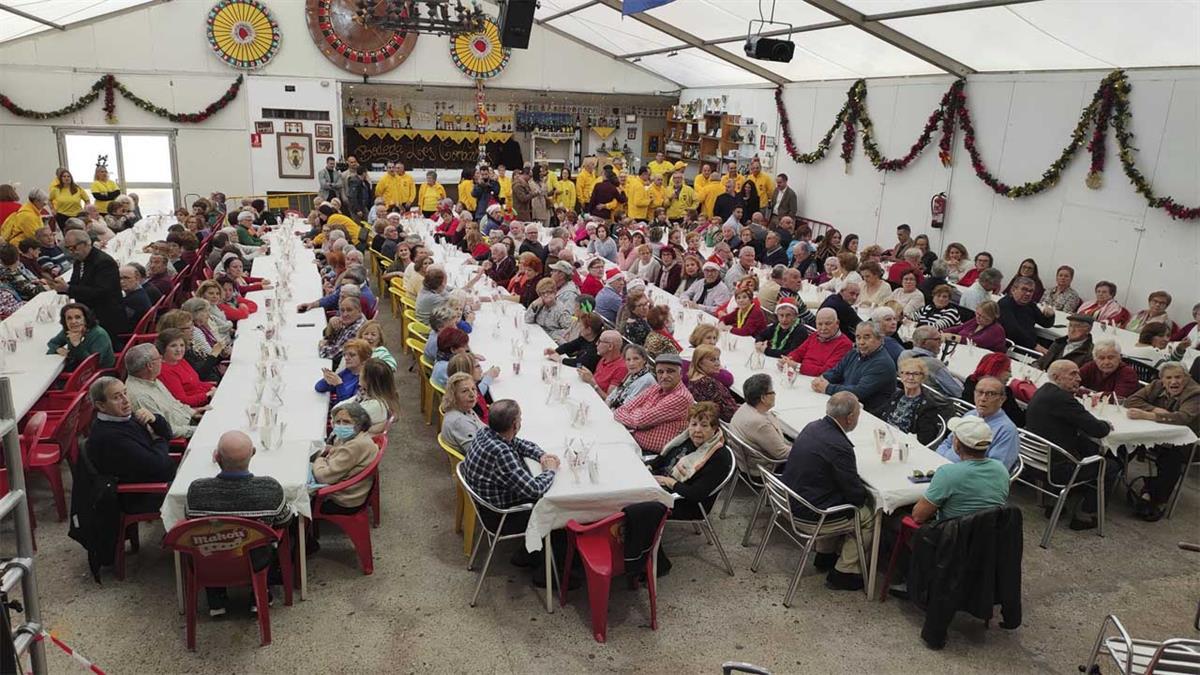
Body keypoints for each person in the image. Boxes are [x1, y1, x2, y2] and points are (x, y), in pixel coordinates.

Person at [184, 429, 290, 616]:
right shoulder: (270, 488)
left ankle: (216, 599)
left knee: (210, 537)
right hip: (255, 561)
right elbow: (285, 520)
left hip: (209, 560)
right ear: (254, 453)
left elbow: (189, 521)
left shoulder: (197, 490)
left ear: (216, 457)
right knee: (269, 539)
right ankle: (259, 592)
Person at [780, 392, 873, 590]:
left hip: (789, 499)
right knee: (868, 516)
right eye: (858, 413)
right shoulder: (840, 446)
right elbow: (855, 495)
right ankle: (845, 572)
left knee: (831, 491)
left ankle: (825, 554)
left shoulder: (812, 426)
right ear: (849, 418)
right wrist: (867, 498)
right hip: (811, 514)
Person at [1025, 360, 1113, 530]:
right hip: (1056, 470)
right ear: (1057, 377)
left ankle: (1056, 502)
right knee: (1110, 466)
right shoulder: (1063, 399)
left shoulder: (1043, 390)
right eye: (1073, 374)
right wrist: (1106, 425)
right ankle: (1087, 514)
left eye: (1078, 374)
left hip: (1034, 462)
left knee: (1089, 448)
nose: (1079, 379)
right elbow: (1098, 430)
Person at [85, 376, 177, 514]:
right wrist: (159, 440)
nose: (126, 400)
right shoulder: (109, 436)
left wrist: (154, 419)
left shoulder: (123, 417)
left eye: (125, 393)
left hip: (156, 474)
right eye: (117, 397)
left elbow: (167, 434)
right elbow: (157, 464)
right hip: (142, 494)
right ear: (101, 405)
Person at [1124, 363, 1200, 521]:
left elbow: (1183, 418)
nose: (1174, 381)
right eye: (1169, 378)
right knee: (1126, 442)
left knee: (1171, 460)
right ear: (1162, 380)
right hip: (1154, 436)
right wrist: (1155, 410)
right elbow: (1131, 401)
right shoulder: (1156, 385)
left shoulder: (1195, 393)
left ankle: (1156, 499)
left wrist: (1148, 415)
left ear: (1186, 378)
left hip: (1186, 442)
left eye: (1178, 377)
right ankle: (1107, 479)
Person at [913, 417, 1010, 524]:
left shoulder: (948, 473)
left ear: (957, 444)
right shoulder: (1001, 469)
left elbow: (918, 516)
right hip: (987, 534)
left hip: (950, 536)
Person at [648, 402, 733, 521]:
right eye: (693, 424)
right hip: (662, 484)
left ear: (714, 428)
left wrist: (669, 482)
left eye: (704, 425)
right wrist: (650, 467)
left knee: (633, 504)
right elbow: (663, 458)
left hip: (684, 503)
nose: (697, 430)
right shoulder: (686, 438)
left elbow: (696, 494)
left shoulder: (719, 457)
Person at [48, 229, 127, 340]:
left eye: (74, 248)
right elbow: (78, 283)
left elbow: (100, 292)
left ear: (86, 244)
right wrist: (60, 286)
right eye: (67, 248)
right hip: (88, 312)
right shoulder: (79, 260)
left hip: (106, 317)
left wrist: (68, 289)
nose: (71, 252)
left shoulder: (104, 262)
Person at [615, 353, 696, 454]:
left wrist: (638, 416)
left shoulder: (681, 396)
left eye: (670, 371)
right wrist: (639, 420)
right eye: (660, 372)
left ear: (680, 374)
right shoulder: (656, 387)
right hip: (633, 442)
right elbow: (621, 410)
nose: (665, 376)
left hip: (653, 455)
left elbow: (641, 421)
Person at [812, 322, 897, 417]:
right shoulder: (854, 353)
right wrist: (821, 379)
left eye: (867, 337)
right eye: (858, 337)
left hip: (867, 415)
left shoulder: (882, 363)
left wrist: (827, 388)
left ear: (880, 339)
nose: (861, 342)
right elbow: (836, 372)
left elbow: (858, 392)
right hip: (844, 406)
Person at [936, 376, 1019, 469]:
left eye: (991, 394)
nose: (983, 398)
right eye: (979, 392)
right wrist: (938, 460)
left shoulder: (1007, 431)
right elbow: (947, 443)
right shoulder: (971, 415)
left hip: (966, 477)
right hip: (943, 466)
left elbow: (994, 470)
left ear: (1002, 399)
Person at [311, 403, 381, 514]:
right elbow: (337, 453)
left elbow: (322, 477)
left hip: (344, 500)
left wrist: (319, 459)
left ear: (359, 424)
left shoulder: (354, 446)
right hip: (354, 491)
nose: (341, 425)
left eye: (346, 422)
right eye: (338, 422)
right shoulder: (357, 437)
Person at [124, 344, 201, 438]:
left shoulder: (151, 379)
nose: (161, 360)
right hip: (184, 435)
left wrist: (194, 413)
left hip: (189, 422)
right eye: (158, 358)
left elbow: (175, 404)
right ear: (150, 365)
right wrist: (199, 430)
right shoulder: (140, 396)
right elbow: (168, 430)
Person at [882, 358, 953, 446]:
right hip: (886, 438)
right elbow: (882, 415)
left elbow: (925, 440)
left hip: (905, 446)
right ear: (901, 375)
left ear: (923, 377)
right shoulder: (898, 395)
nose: (911, 378)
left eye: (916, 374)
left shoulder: (928, 406)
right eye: (907, 373)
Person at [730, 374, 791, 474]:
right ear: (763, 398)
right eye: (772, 392)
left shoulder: (745, 406)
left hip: (744, 462)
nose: (775, 394)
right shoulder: (759, 423)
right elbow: (782, 453)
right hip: (761, 470)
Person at [781, 307, 852, 376]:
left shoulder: (845, 344)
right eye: (820, 324)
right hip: (801, 375)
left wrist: (797, 366)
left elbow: (827, 371)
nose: (823, 328)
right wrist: (788, 359)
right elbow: (799, 352)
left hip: (819, 381)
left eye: (828, 324)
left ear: (837, 323)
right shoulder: (814, 336)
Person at [46, 302, 115, 370]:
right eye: (69, 318)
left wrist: (77, 345)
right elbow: (52, 343)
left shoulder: (99, 335)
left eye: (78, 317)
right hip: (77, 367)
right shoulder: (68, 331)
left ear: (86, 319)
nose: (73, 321)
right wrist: (57, 349)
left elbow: (92, 364)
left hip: (99, 373)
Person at [155, 329, 214, 407]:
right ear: (163, 348)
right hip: (197, 409)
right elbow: (182, 401)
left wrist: (212, 388)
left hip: (206, 399)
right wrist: (208, 395)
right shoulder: (164, 371)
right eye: (173, 346)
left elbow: (197, 384)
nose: (179, 350)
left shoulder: (181, 361)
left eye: (182, 345)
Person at [900, 326, 964, 398]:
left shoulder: (903, 355)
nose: (941, 342)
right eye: (937, 339)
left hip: (912, 397)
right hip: (937, 404)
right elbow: (959, 392)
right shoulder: (935, 365)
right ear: (924, 342)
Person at [998, 277, 1054, 351]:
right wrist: (1035, 346)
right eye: (1024, 289)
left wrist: (1050, 315)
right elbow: (1013, 331)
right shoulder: (1005, 304)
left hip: (1030, 344)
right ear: (1013, 290)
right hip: (1014, 346)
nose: (1028, 293)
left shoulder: (1030, 304)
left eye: (1031, 291)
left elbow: (1046, 323)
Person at [685, 345, 738, 422]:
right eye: (712, 360)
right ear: (700, 363)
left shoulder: (693, 379)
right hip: (728, 423)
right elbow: (728, 413)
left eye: (718, 359)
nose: (718, 364)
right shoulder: (708, 383)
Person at [942, 299, 1007, 352]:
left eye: (983, 316)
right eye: (977, 313)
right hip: (963, 350)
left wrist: (952, 337)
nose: (978, 317)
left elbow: (976, 342)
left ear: (992, 317)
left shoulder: (996, 330)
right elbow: (959, 328)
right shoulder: (976, 321)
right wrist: (942, 332)